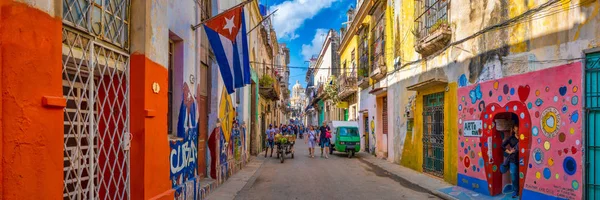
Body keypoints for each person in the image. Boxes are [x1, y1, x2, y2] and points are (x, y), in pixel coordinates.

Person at [501, 124, 520, 198]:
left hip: (522, 160)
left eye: (519, 130)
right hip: (513, 159)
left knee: (521, 176)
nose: (518, 131)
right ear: (514, 130)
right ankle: (516, 190)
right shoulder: (511, 138)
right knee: (514, 177)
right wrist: (508, 152)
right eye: (516, 130)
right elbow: (502, 145)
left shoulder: (523, 137)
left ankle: (521, 189)